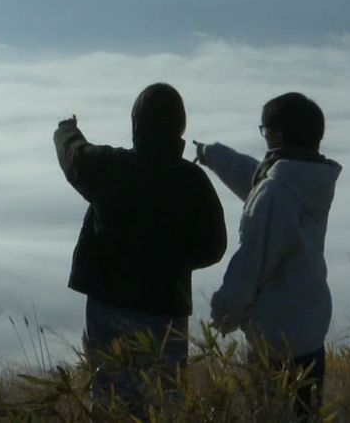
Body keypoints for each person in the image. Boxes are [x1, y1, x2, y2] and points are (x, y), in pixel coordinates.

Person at [54, 83, 227, 412]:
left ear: (137, 125)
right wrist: (173, 261)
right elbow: (214, 246)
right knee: (164, 401)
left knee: (111, 400)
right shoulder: (193, 181)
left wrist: (66, 129)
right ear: (180, 128)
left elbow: (74, 157)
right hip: (167, 311)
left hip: (109, 306)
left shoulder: (111, 168)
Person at [194, 92, 341, 421]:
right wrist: (213, 155)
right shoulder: (306, 181)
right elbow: (256, 179)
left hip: (274, 341)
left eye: (265, 130)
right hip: (309, 332)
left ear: (276, 135)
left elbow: (254, 262)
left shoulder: (276, 193)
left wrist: (225, 310)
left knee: (269, 415)